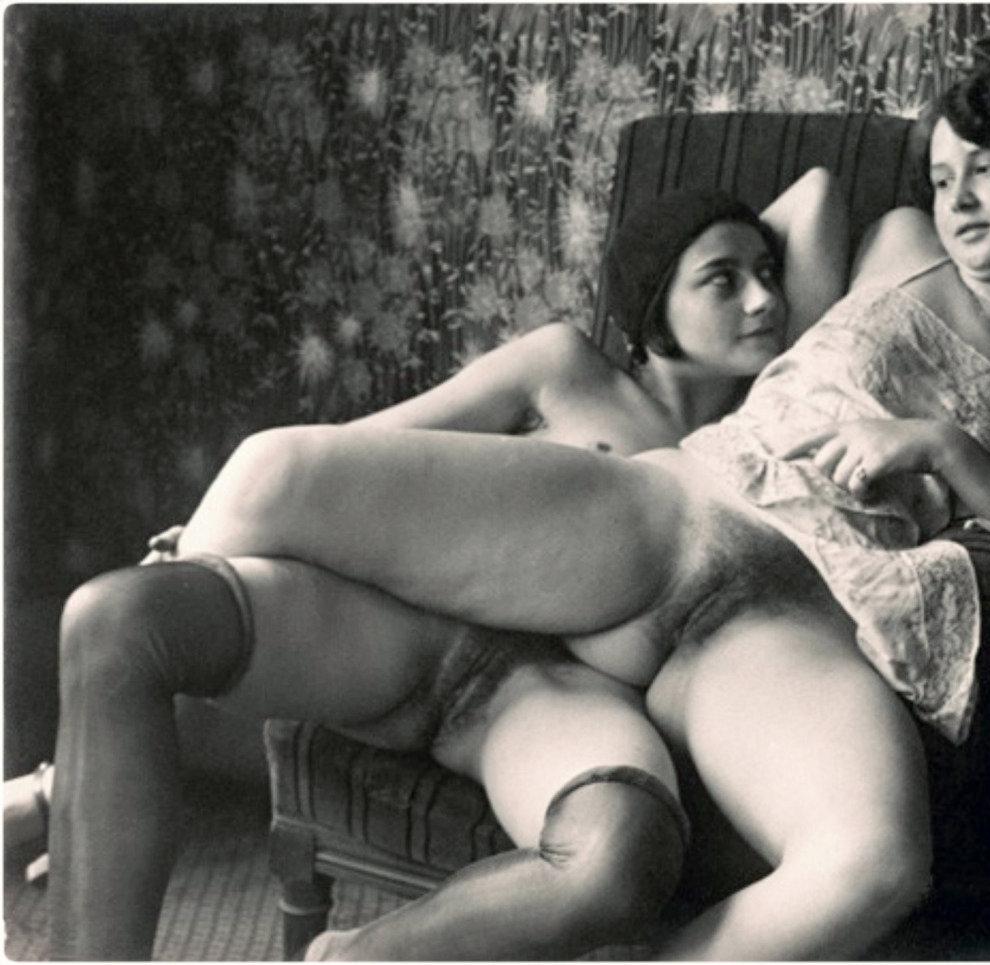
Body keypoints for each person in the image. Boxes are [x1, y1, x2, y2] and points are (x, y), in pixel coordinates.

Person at [53, 31, 990, 960]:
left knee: (875, 863)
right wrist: (709, 329)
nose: (954, 200)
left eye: (985, 169)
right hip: (679, 509)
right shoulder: (898, 246)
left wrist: (949, 449)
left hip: (797, 618)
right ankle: (81, 769)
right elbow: (808, 202)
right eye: (941, 173)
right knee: (278, 469)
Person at [46, 172, 850, 961]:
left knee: (617, 857)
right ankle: (58, 806)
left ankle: (347, 957)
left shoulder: (764, 428)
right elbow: (373, 446)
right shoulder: (568, 368)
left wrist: (722, 256)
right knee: (120, 617)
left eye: (769, 273)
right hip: (408, 629)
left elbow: (818, 198)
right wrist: (208, 533)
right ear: (652, 304)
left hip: (556, 694)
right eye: (723, 279)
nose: (764, 300)